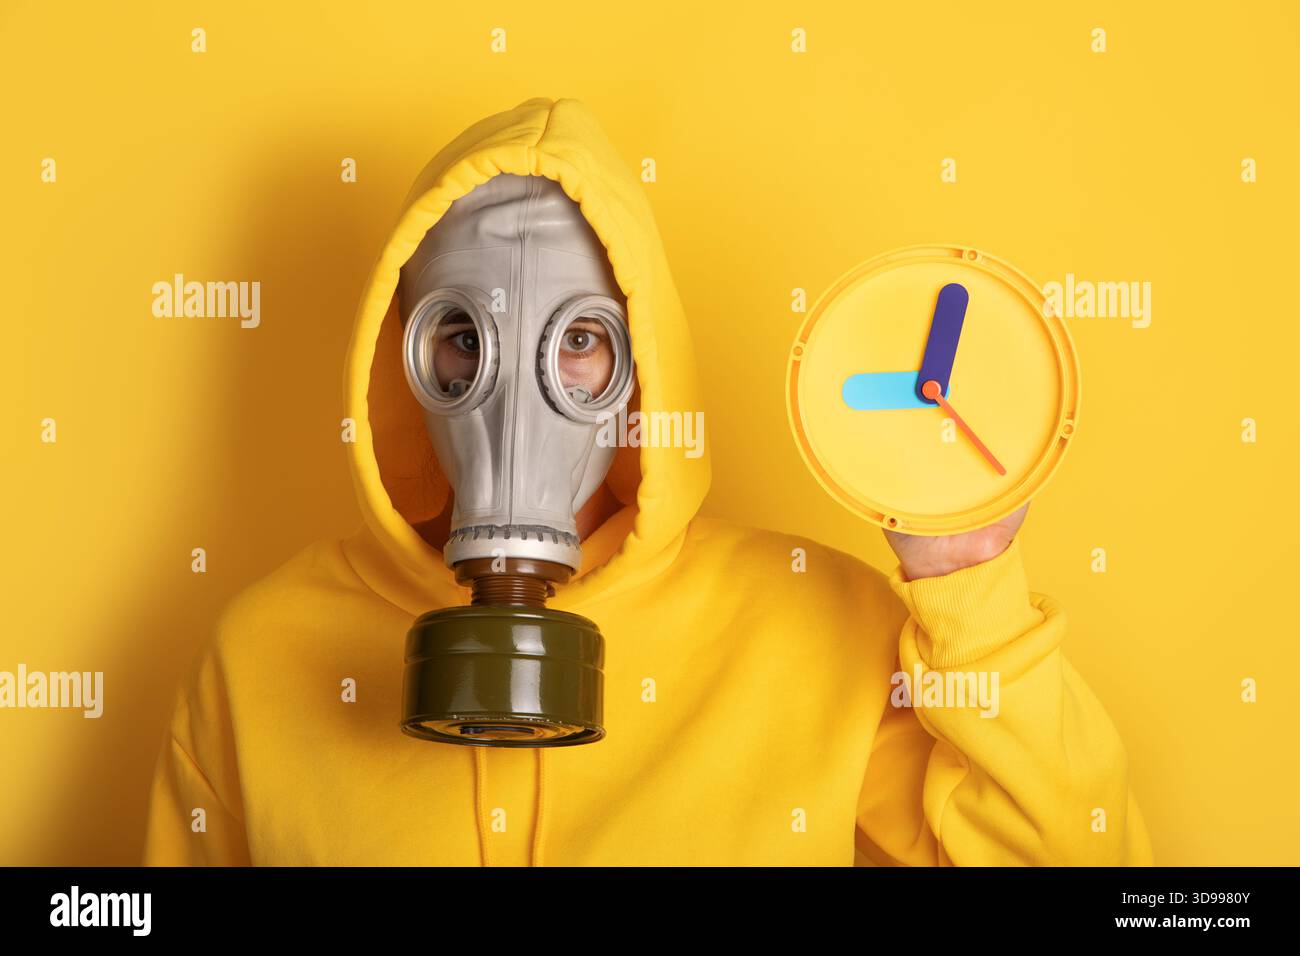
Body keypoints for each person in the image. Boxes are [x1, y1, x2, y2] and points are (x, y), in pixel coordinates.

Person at [143, 97, 1151, 866]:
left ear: (644, 368)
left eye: (580, 338)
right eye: (462, 334)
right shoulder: (257, 658)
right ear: (401, 357)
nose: (515, 400)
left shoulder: (825, 629)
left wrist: (968, 581)